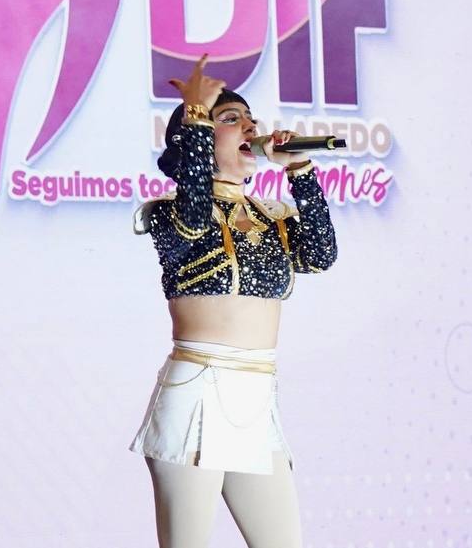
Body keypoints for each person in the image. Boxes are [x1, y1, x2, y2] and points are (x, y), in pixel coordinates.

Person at [129, 54, 338, 548]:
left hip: (257, 398)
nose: (250, 127)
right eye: (230, 119)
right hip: (196, 394)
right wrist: (196, 115)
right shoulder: (171, 215)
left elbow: (321, 254)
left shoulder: (271, 217)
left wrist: (301, 170)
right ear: (199, 138)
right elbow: (195, 214)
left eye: (251, 119)